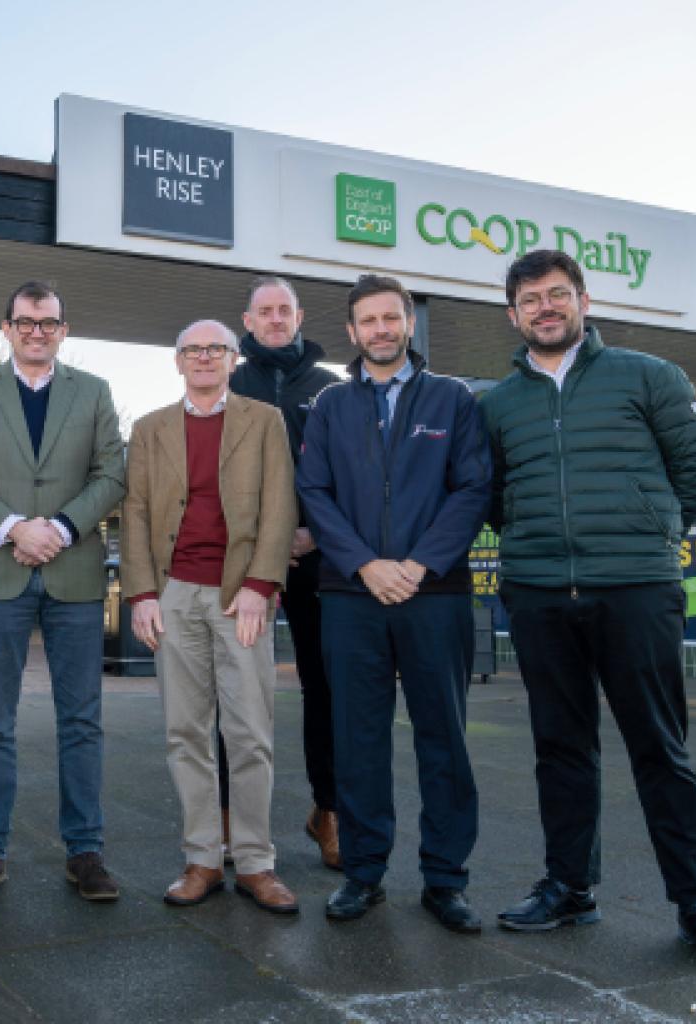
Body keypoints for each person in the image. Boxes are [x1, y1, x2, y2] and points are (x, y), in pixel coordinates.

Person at [481, 249, 696, 974]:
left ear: (584, 301)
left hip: (636, 590)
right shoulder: (496, 403)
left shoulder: (650, 377)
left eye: (558, 294)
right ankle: (570, 887)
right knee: (561, 751)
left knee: (660, 751)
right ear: (513, 314)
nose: (546, 307)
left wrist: (648, 536)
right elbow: (492, 496)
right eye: (531, 298)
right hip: (540, 593)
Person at [296, 275, 490, 933]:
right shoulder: (329, 406)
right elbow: (314, 493)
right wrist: (364, 564)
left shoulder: (452, 400)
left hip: (434, 594)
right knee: (357, 740)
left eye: (390, 318)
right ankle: (363, 873)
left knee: (445, 740)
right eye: (367, 320)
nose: (380, 329)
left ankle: (445, 881)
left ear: (408, 323)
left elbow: (472, 489)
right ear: (351, 333)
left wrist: (417, 564)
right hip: (350, 597)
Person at [0, 280, 127, 902]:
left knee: (82, 720)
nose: (37, 331)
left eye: (48, 322)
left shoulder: (94, 392)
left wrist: (61, 527)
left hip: (72, 572)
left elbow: (112, 475)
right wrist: (14, 528)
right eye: (26, 322)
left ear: (63, 329)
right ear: (8, 328)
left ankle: (86, 850)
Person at [122, 320, 299, 913]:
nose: (203, 358)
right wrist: (142, 593)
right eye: (192, 350)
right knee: (186, 733)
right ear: (177, 361)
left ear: (232, 358)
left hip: (239, 596)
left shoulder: (263, 420)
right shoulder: (149, 429)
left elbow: (280, 505)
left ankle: (255, 862)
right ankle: (201, 858)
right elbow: (137, 511)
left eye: (215, 349)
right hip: (174, 595)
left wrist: (260, 584)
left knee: (249, 733)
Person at [229, 275, 343, 870]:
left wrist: (310, 534)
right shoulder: (227, 382)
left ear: (299, 318)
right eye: (264, 311)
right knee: (236, 690)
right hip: (243, 560)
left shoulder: (331, 388)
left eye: (284, 310)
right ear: (248, 322)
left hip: (316, 558)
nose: (274, 319)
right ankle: (231, 818)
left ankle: (329, 809)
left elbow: (350, 474)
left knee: (326, 686)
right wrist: (261, 542)